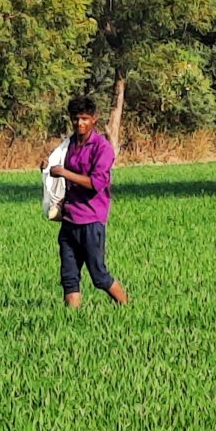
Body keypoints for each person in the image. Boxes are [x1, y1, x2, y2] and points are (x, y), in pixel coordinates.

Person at [45, 96, 128, 308]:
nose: (79, 123)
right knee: (69, 277)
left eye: (84, 118)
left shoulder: (102, 148)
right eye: (75, 119)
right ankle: (72, 321)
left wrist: (64, 173)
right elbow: (56, 162)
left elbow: (96, 183)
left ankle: (127, 308)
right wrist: (48, 166)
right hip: (70, 219)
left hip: (91, 219)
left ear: (94, 119)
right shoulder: (69, 144)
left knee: (98, 275)